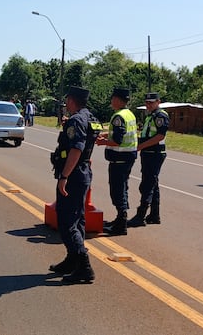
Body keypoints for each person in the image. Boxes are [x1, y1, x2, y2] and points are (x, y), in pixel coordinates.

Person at [49, 86, 100, 284]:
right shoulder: (89, 117)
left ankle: (84, 265)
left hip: (73, 175)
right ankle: (72, 260)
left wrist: (64, 177)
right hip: (83, 172)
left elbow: (76, 150)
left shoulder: (76, 120)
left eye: (67, 100)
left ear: (71, 100)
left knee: (67, 221)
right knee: (77, 219)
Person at [95, 88, 138, 236]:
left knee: (117, 189)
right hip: (128, 157)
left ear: (119, 100)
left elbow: (118, 140)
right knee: (123, 187)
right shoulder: (129, 114)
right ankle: (120, 219)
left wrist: (102, 142)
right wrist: (106, 134)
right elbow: (121, 133)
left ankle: (121, 224)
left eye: (113, 98)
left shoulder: (118, 116)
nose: (111, 101)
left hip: (120, 158)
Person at [128, 92, 169, 227]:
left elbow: (160, 136)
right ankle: (154, 215)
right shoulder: (151, 116)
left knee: (147, 185)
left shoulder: (160, 116)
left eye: (151, 102)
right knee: (153, 184)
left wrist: (140, 147)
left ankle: (140, 216)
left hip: (154, 153)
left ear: (158, 102)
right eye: (147, 102)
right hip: (149, 152)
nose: (148, 105)